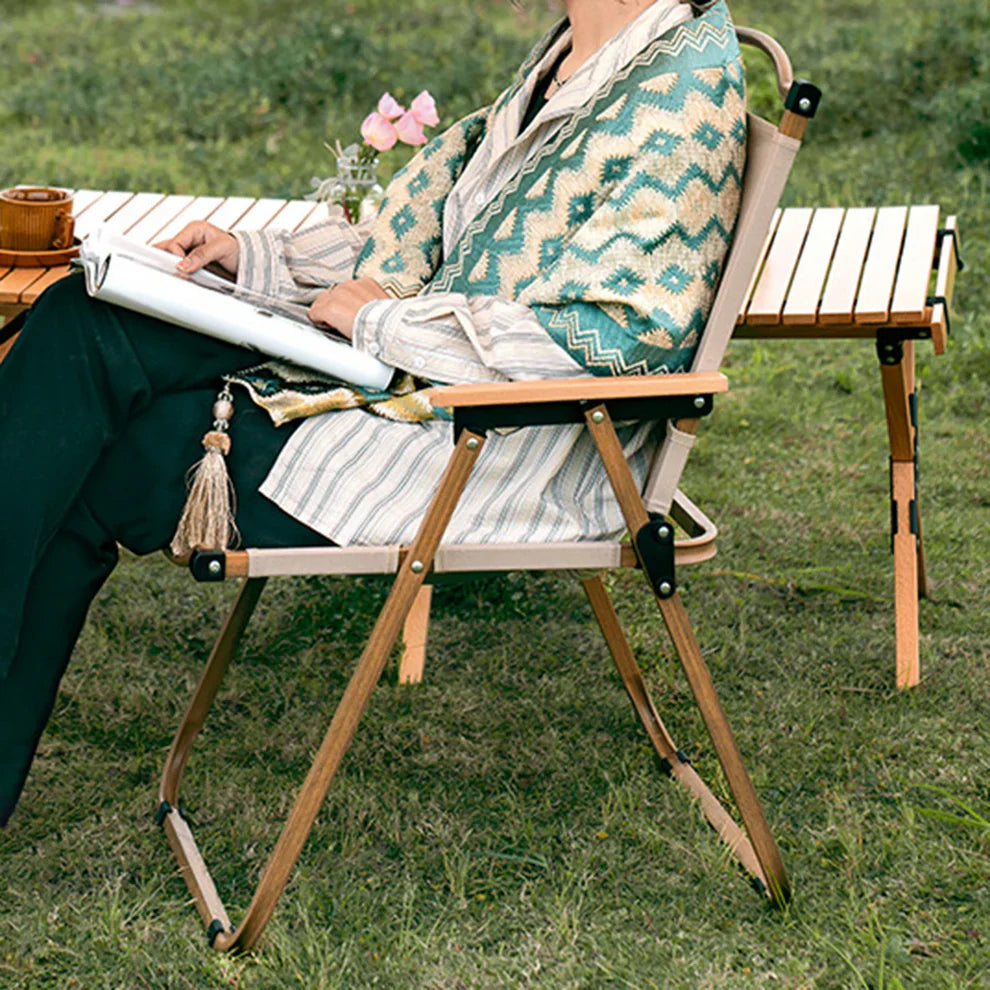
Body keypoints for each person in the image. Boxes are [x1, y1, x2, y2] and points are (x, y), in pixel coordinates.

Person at [0, 0, 746, 826]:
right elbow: (431, 245)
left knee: (87, 450)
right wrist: (253, 260)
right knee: (83, 322)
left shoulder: (678, 103)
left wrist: (377, 323)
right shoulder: (580, 62)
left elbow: (619, 336)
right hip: (406, 382)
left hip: (472, 450)